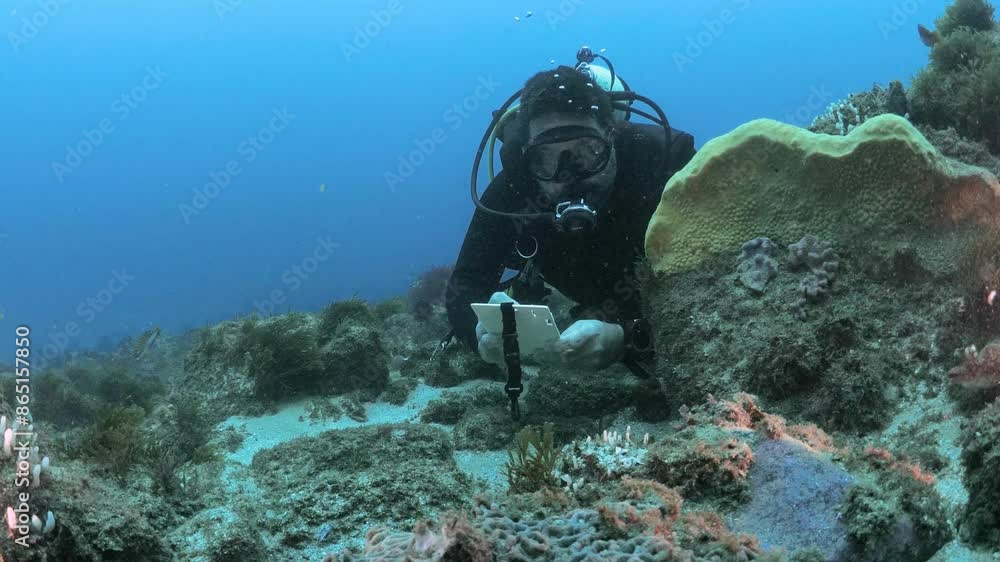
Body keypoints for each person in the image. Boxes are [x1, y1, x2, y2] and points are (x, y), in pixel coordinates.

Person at [445, 56, 696, 378]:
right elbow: (466, 285)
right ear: (526, 156)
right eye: (546, 160)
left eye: (586, 152)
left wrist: (628, 337)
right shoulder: (515, 190)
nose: (567, 175)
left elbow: (716, 290)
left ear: (612, 135)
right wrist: (479, 336)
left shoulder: (663, 167)